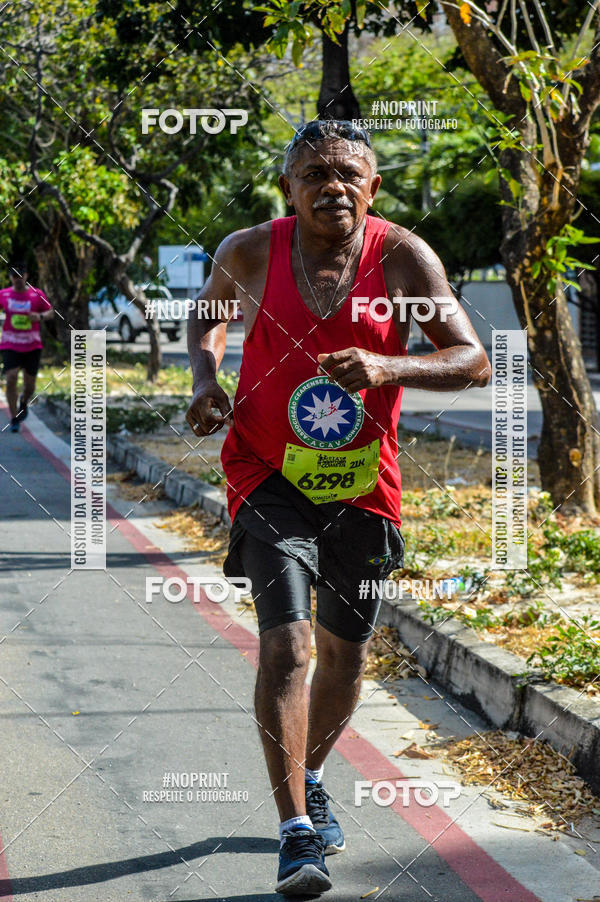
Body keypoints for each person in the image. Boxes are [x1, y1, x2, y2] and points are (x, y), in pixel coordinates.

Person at [186, 120, 491, 896]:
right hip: (266, 472)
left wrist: (389, 364)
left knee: (345, 654)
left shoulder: (401, 255)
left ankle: (310, 773)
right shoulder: (250, 249)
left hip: (363, 483)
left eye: (350, 174)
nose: (334, 187)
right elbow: (207, 315)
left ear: (373, 186)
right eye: (315, 174)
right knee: (287, 644)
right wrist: (204, 378)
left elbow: (473, 360)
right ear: (288, 188)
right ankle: (295, 833)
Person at [0, 261, 53, 433]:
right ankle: (14, 418)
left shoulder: (37, 294)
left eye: (20, 275)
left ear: (26, 276)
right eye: (14, 276)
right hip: (10, 344)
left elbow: (50, 312)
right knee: (11, 378)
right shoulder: (4, 294)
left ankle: (24, 401)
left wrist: (39, 316)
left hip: (32, 345)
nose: (18, 279)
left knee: (30, 385)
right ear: (10, 277)